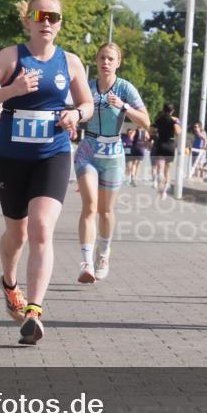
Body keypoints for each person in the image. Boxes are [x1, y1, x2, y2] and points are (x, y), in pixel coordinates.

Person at [0, 0, 93, 345]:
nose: (47, 22)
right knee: (16, 235)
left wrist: (76, 114)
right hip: (10, 158)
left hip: (52, 154)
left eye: (54, 16)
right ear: (28, 20)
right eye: (40, 15)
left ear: (60, 22)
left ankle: (34, 311)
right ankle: (8, 281)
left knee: (41, 229)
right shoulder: (10, 57)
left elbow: (87, 103)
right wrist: (11, 90)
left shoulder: (71, 62)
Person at [73, 43, 150, 284]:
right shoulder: (87, 86)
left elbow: (146, 122)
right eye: (102, 58)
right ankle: (86, 263)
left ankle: (103, 253)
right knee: (90, 206)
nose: (105, 62)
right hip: (88, 150)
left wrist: (124, 107)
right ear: (96, 61)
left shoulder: (125, 88)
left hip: (114, 153)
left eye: (111, 59)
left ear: (118, 63)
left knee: (105, 211)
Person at [150, 103, 181, 196]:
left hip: (160, 144)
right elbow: (178, 132)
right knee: (167, 169)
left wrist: (157, 132)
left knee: (159, 166)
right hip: (170, 145)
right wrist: (178, 123)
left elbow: (151, 130)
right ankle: (164, 190)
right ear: (173, 111)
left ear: (163, 110)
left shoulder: (158, 119)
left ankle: (158, 180)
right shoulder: (173, 121)